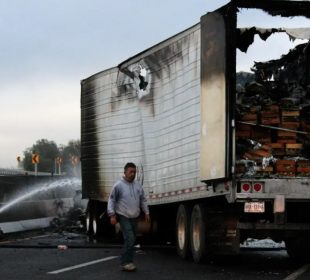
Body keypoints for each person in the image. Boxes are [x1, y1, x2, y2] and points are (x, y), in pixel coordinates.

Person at [107, 162, 150, 272]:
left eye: (134, 172)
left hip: (135, 216)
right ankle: (125, 262)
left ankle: (129, 261)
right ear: (125, 172)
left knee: (131, 239)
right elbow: (111, 200)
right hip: (123, 215)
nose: (133, 174)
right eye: (131, 172)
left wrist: (146, 212)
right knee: (130, 238)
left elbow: (143, 200)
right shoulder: (118, 185)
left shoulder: (138, 186)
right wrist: (112, 215)